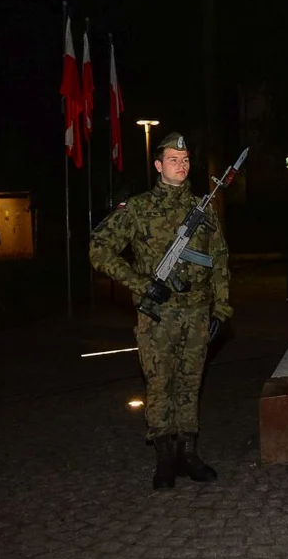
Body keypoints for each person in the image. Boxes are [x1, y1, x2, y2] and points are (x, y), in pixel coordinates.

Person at [90, 131, 232, 490]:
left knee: (190, 384)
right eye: (173, 160)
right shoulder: (137, 209)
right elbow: (99, 249)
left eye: (185, 161)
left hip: (197, 312)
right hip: (159, 315)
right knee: (159, 385)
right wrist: (140, 284)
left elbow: (219, 260)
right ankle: (165, 459)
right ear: (158, 165)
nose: (180, 166)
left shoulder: (203, 208)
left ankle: (189, 453)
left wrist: (222, 310)